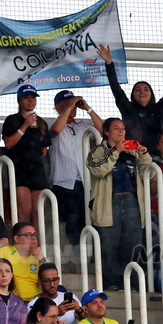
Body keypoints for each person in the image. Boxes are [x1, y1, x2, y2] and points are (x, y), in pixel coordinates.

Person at [87, 117, 153, 291]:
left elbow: (148, 172)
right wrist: (115, 151)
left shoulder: (131, 151)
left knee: (132, 244)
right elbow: (97, 169)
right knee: (108, 245)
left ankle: (131, 282)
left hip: (132, 201)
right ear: (106, 132)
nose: (121, 131)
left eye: (123, 128)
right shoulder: (97, 151)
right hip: (108, 203)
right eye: (116, 128)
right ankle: (111, 283)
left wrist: (143, 154)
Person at [98, 39, 163, 152]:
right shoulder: (128, 109)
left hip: (159, 158)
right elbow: (116, 88)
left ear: (151, 94)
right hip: (134, 157)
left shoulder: (160, 109)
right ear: (133, 94)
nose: (142, 92)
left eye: (146, 89)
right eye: (137, 90)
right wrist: (109, 63)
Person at [48, 90, 104, 246]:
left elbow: (103, 132)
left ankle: (89, 253)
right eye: (66, 104)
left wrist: (88, 108)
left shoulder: (83, 125)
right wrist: (69, 107)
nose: (72, 107)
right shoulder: (50, 122)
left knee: (89, 218)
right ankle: (77, 253)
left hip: (84, 182)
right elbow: (55, 131)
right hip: (63, 181)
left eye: (73, 104)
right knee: (72, 220)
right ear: (58, 106)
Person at [0, 85, 52, 235]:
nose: (31, 101)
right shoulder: (12, 120)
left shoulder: (41, 122)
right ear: (19, 100)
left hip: (37, 170)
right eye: (27, 98)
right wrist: (25, 125)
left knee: (38, 214)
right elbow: (8, 143)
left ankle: (37, 250)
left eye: (33, 98)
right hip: (19, 169)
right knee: (24, 213)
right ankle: (21, 249)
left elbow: (44, 149)